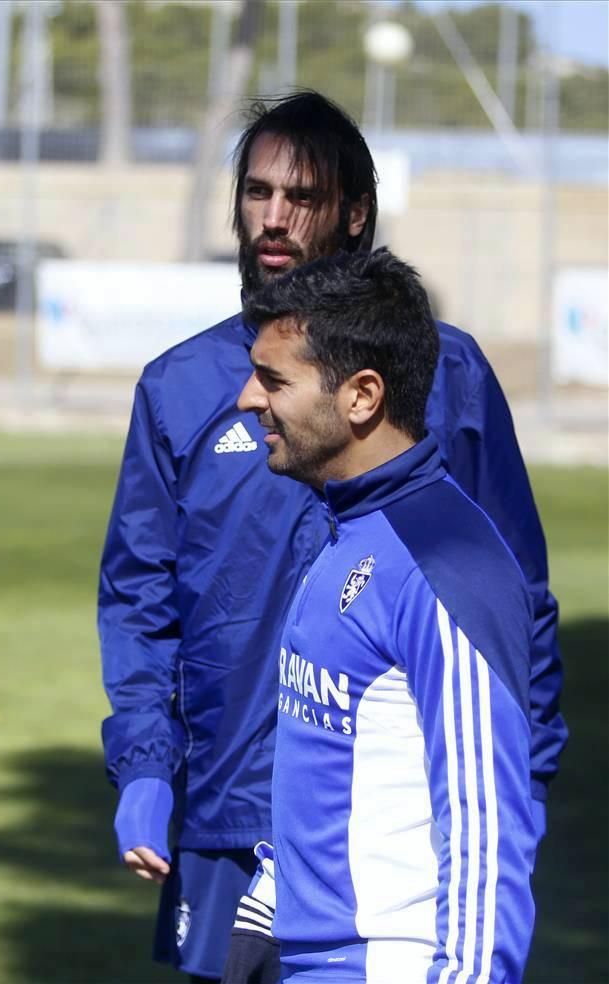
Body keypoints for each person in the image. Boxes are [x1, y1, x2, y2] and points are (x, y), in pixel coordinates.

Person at [98, 91, 565, 983]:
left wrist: (523, 790)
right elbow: (138, 595)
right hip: (230, 819)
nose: (272, 218)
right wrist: (147, 768)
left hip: (393, 824)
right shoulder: (177, 387)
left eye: (301, 197)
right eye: (256, 192)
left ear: (354, 213)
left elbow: (513, 601)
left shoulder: (447, 373)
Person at [225, 246, 537, 984]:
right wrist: (270, 909)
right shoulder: (350, 530)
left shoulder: (443, 562)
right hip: (302, 956)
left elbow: (485, 834)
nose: (247, 398)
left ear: (361, 396)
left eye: (274, 379)